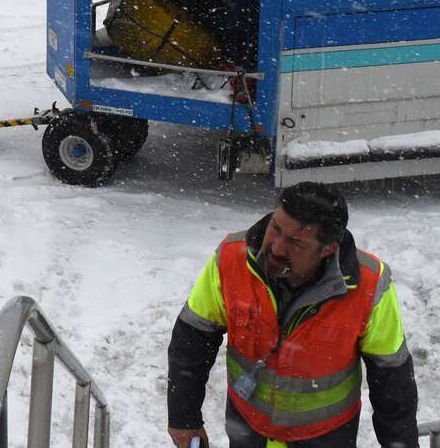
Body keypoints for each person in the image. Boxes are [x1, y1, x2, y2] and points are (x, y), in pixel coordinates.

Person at [165, 182, 417, 448]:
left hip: (326, 438)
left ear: (328, 248)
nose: (276, 247)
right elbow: (191, 339)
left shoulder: (369, 284)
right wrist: (183, 418)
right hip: (248, 432)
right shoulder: (231, 258)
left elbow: (393, 380)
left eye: (295, 242)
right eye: (276, 228)